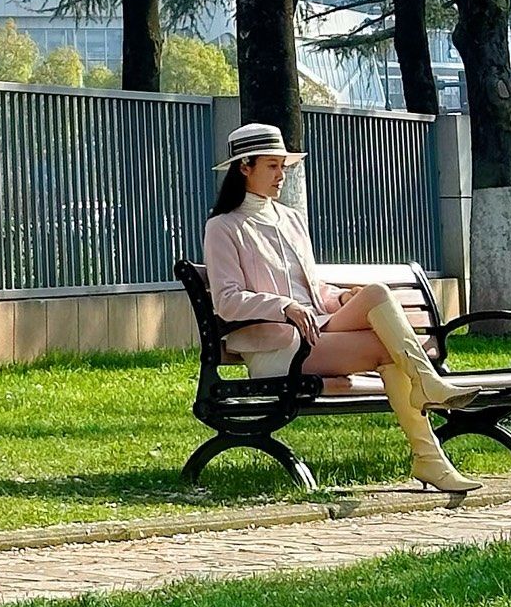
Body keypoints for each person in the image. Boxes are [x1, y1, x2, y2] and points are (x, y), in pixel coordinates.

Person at [201, 119, 481, 493]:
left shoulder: (291, 220)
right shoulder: (224, 227)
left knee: (376, 296)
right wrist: (282, 305)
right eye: (272, 165)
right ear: (244, 167)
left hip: (316, 330)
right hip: (276, 349)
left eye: (283, 166)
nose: (281, 175)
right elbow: (227, 299)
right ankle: (428, 435)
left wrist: (341, 297)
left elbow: (311, 286)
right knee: (388, 346)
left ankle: (429, 423)